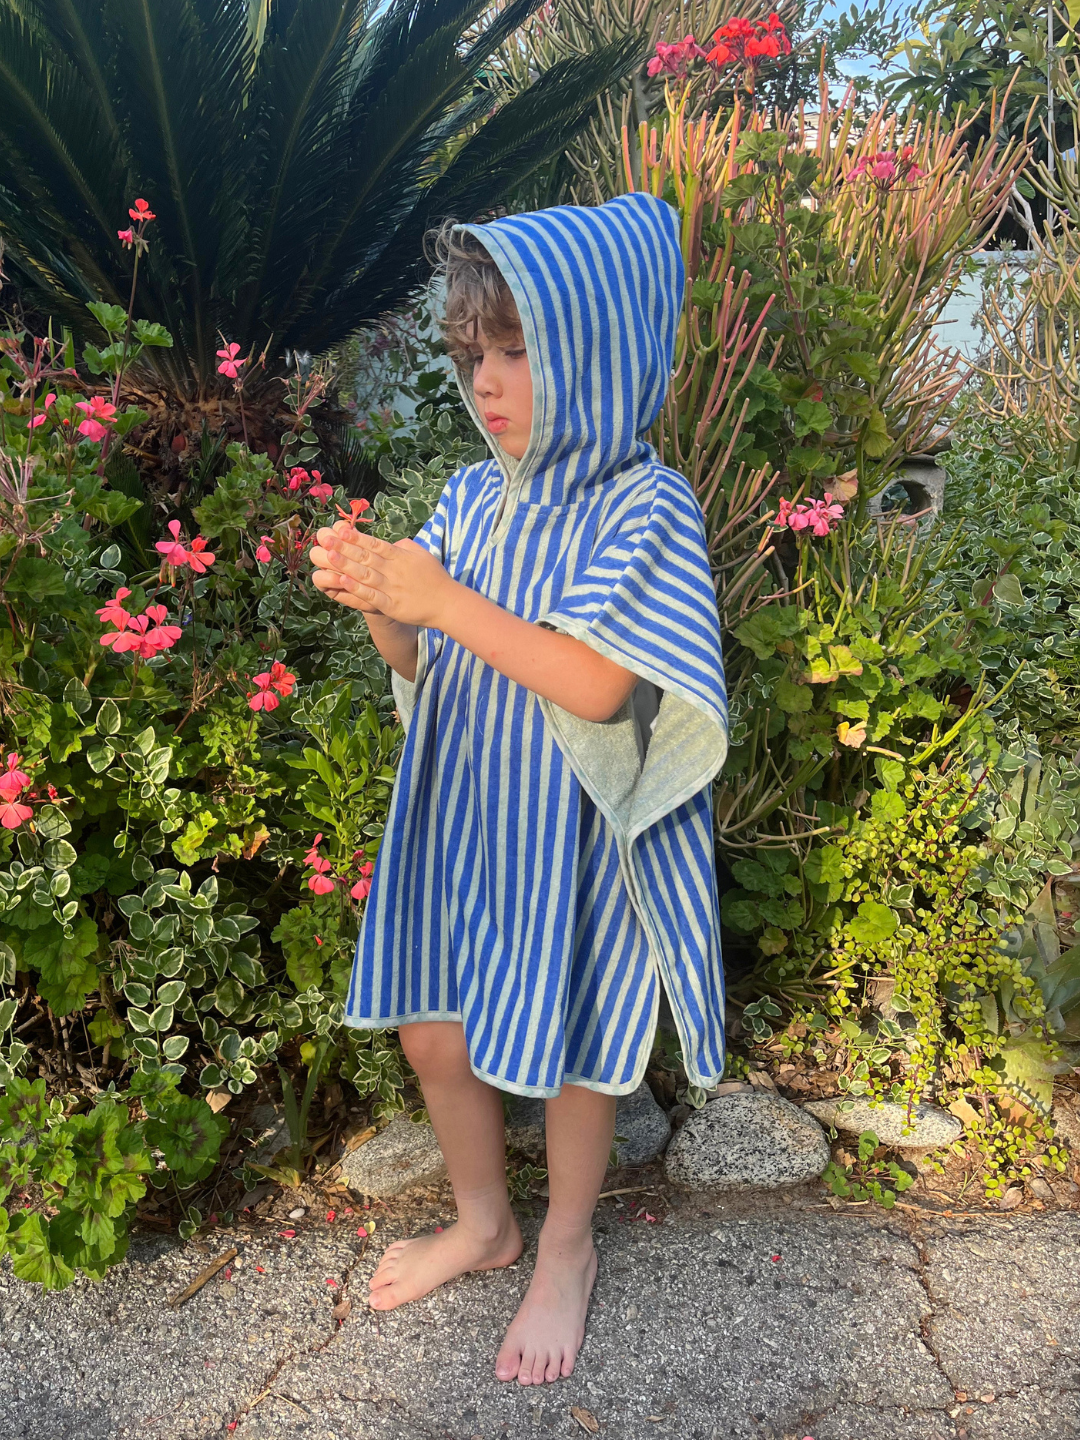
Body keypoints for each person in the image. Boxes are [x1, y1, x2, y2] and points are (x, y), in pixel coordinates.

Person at [308, 193, 728, 1387]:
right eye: (470, 355)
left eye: (516, 351)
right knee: (433, 1028)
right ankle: (484, 1219)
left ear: (600, 350)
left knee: (582, 1044)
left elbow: (596, 685)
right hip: (465, 813)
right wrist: (384, 601)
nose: (486, 383)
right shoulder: (473, 494)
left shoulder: (646, 505)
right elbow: (419, 656)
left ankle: (565, 1244)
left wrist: (440, 600)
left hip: (576, 837)